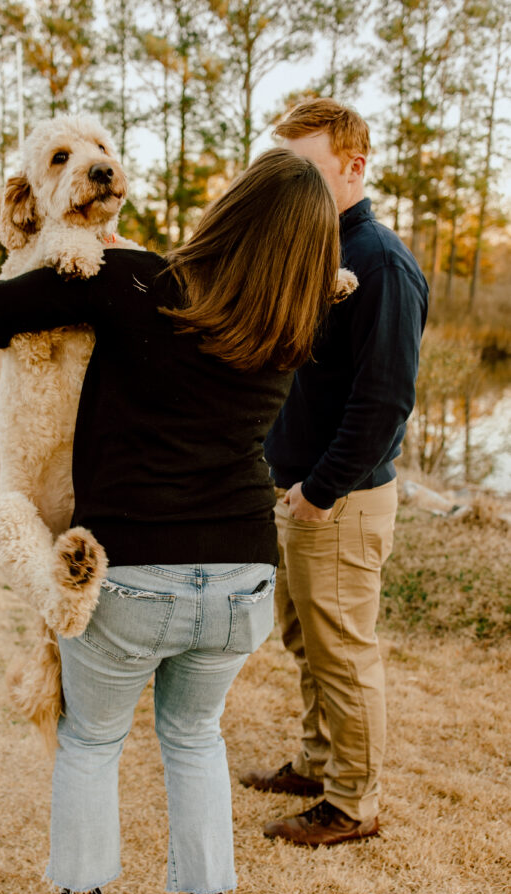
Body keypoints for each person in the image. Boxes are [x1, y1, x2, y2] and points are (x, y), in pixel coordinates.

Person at [0, 148, 340, 894]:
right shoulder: (296, 321)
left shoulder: (130, 281)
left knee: (92, 744)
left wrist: (79, 279)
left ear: (228, 211)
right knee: (194, 739)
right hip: (242, 578)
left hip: (131, 577)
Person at [239, 99, 429, 846]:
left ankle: (351, 804)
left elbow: (384, 399)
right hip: (297, 492)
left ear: (354, 167)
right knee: (306, 643)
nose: (291, 185)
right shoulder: (311, 249)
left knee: (343, 654)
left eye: (306, 171)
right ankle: (317, 764)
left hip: (338, 501)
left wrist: (319, 492)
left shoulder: (378, 262)